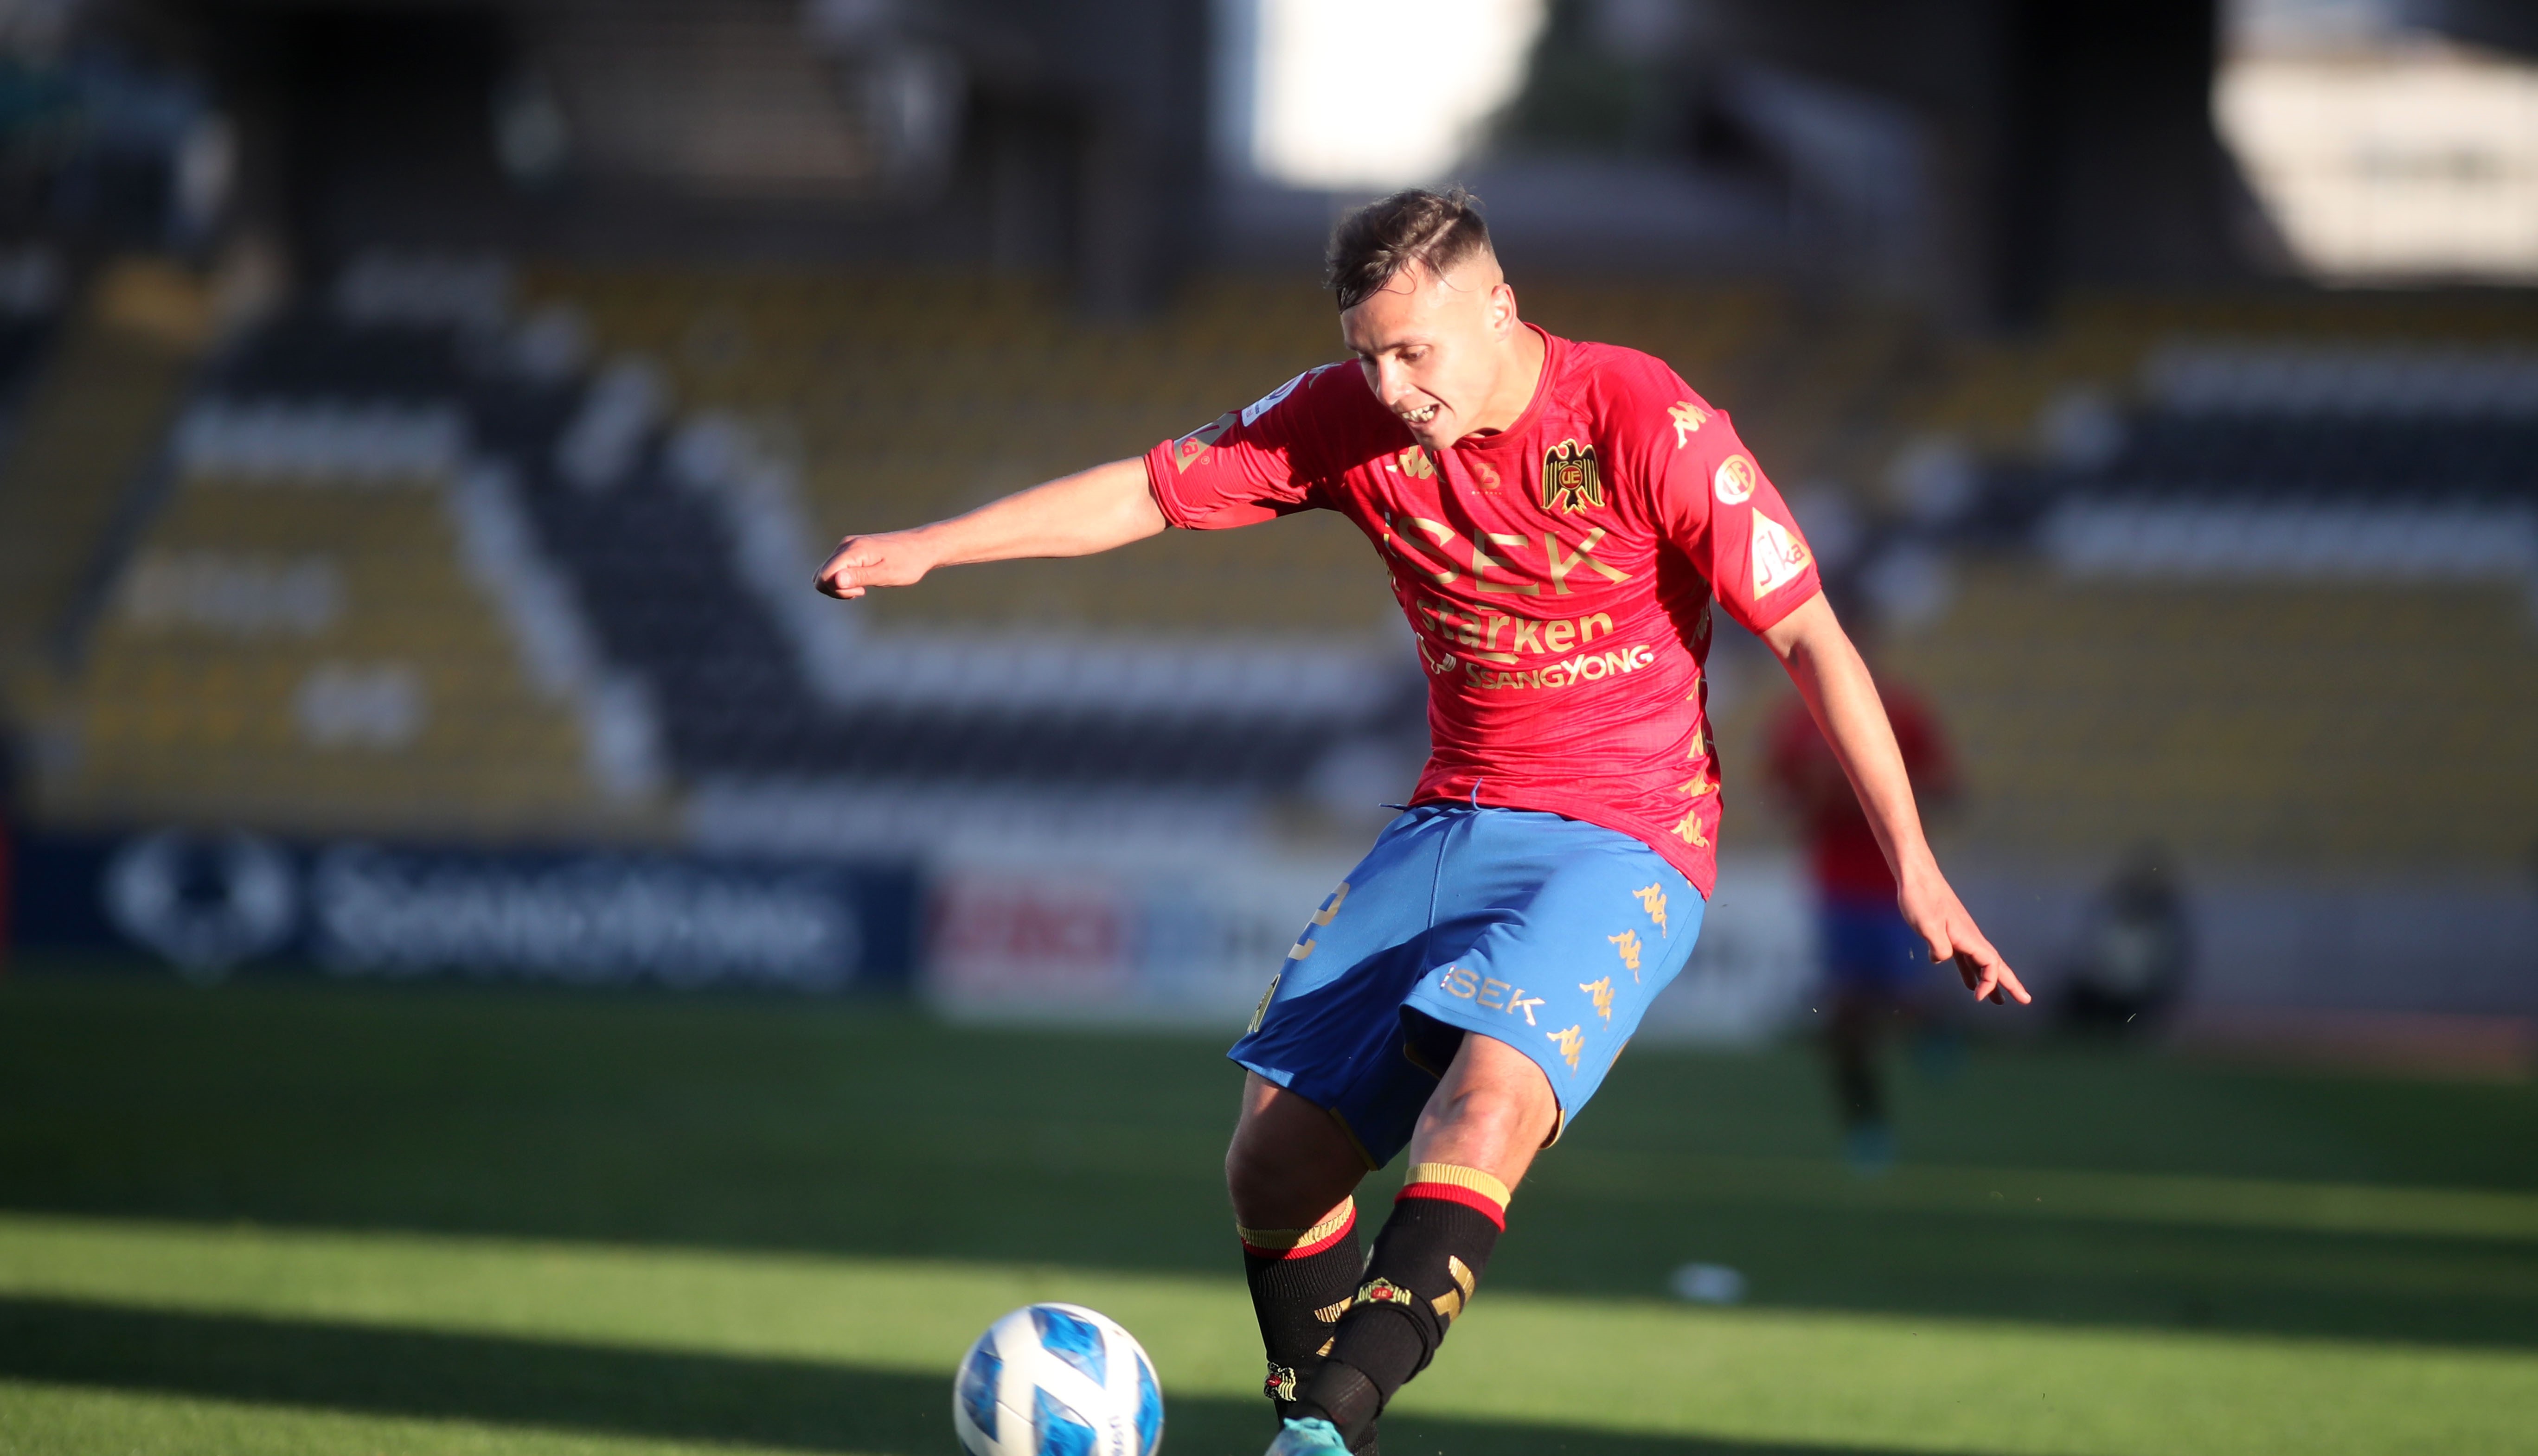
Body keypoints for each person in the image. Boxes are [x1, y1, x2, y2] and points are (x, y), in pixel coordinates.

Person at [815, 187, 2027, 1456]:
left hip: (1626, 834)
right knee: (1272, 1166)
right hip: (1451, 822)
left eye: (1416, 350)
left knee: (1484, 1106)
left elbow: (1809, 636)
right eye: (1368, 354)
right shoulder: (1345, 420)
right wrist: (931, 548)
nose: (1393, 385)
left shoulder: (1641, 416)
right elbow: (1147, 491)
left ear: (1499, 309)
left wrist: (1916, 866)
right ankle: (1320, 1424)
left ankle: (1326, 1432)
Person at [1763, 634, 1959, 1172]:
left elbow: (1948, 788)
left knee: (1903, 999)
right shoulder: (1797, 720)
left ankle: (1935, 1033)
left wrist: (1885, 793)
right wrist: (1815, 799)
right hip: (1837, 886)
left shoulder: (1898, 711)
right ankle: (1867, 1128)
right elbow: (1777, 793)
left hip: (1899, 881)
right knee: (1847, 1013)